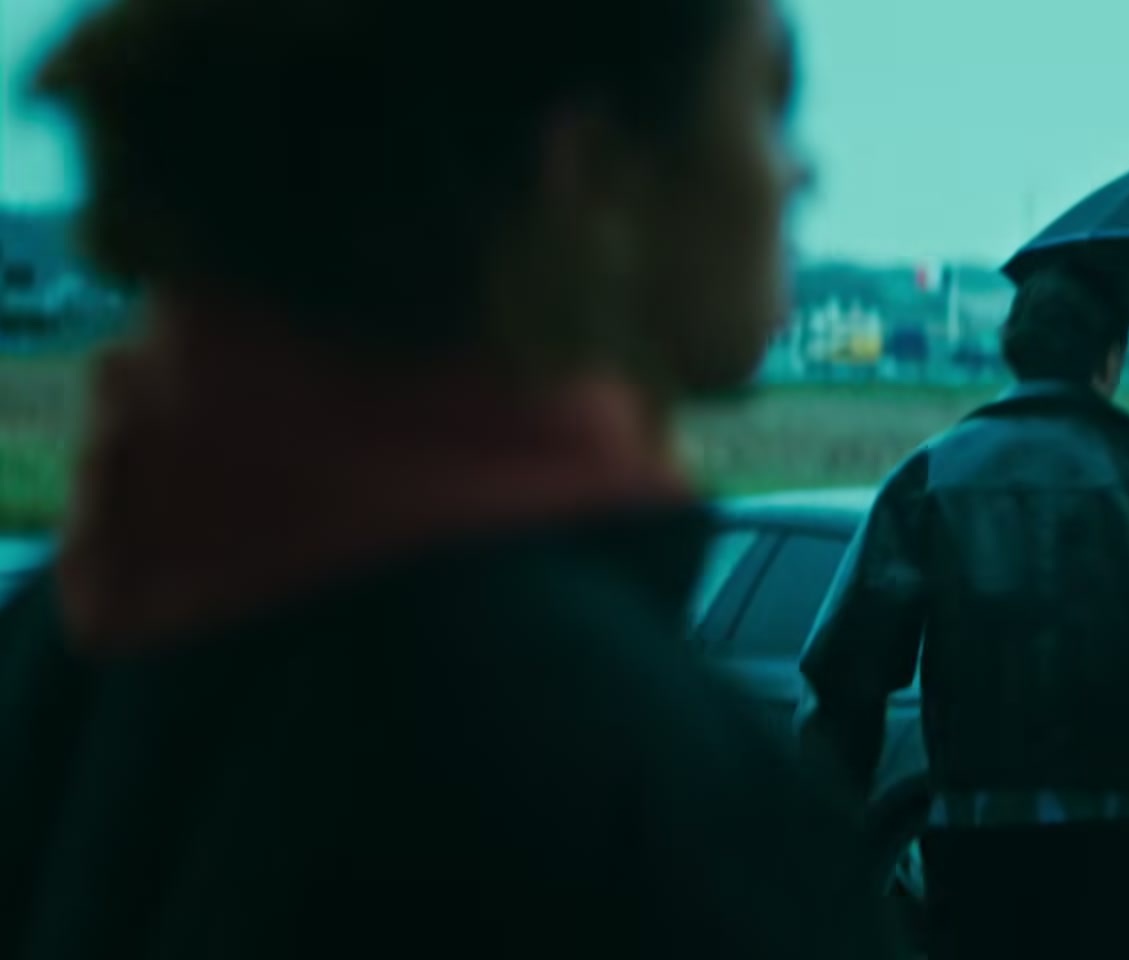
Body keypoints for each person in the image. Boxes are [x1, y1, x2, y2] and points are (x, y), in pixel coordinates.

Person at [0, 2, 902, 959]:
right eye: (768, 105)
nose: (803, 172)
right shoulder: (653, 802)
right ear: (595, 175)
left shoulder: (68, 652)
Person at [795, 264, 1129, 960]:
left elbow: (847, 678)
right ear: (1111, 360)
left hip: (971, 850)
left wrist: (825, 848)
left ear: (1011, 351)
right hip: (1128, 856)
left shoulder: (929, 478)